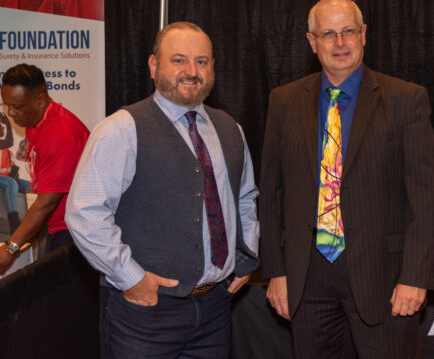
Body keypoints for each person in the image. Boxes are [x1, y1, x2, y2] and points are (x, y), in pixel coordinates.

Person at [260, 0, 434, 358]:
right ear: (312, 42)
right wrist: (276, 272)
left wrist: (415, 277)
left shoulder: (406, 100)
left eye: (347, 32)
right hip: (306, 279)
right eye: (328, 34)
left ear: (363, 35)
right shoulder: (283, 101)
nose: (339, 43)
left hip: (385, 279)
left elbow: (426, 199)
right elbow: (271, 193)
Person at [65, 21, 260, 358]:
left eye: (202, 61)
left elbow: (244, 200)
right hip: (144, 315)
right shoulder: (121, 130)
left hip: (216, 310)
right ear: (154, 66)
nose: (191, 71)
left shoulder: (231, 130)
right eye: (179, 60)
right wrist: (131, 278)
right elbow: (85, 213)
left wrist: (245, 257)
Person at [0, 63, 89, 274]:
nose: (11, 113)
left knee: (63, 300)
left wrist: (11, 248)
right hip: (58, 225)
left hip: (73, 231)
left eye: (17, 106)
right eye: (6, 105)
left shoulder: (59, 134)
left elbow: (46, 204)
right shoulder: (36, 121)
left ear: (40, 99)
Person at [0, 111, 31, 233]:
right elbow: (9, 141)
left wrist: (15, 173)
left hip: (5, 178)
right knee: (11, 183)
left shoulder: (7, 151)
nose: (2, 127)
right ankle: (14, 223)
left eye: (2, 126)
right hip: (5, 181)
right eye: (0, 126)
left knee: (29, 185)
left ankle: (32, 221)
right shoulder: (4, 144)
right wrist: (7, 123)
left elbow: (12, 166)